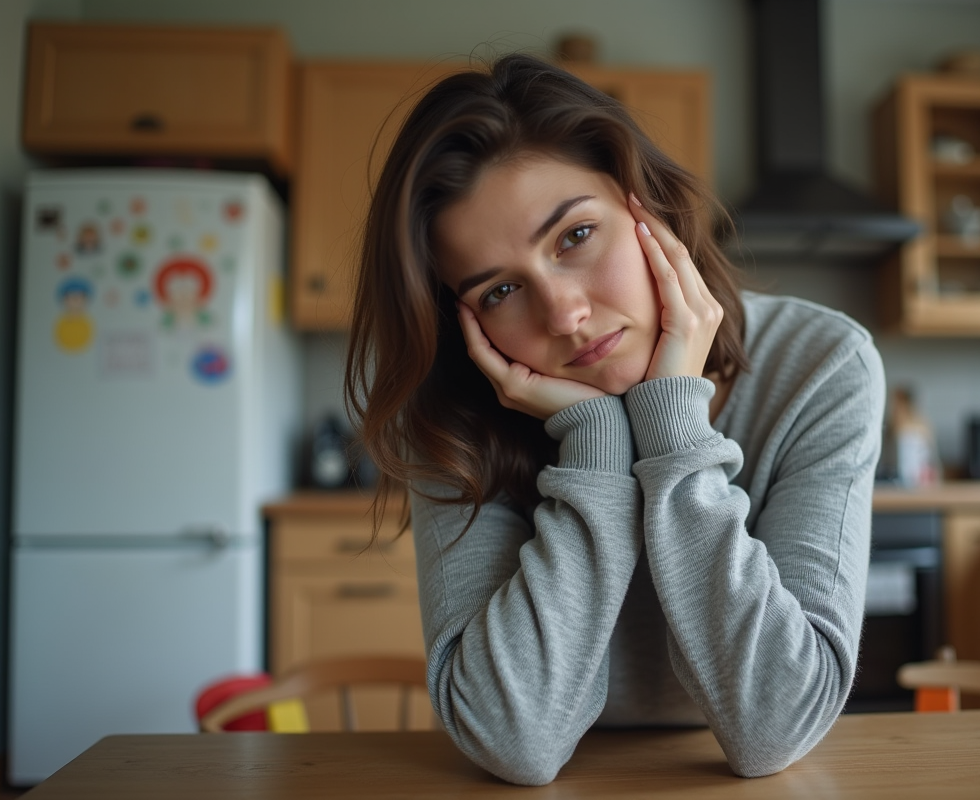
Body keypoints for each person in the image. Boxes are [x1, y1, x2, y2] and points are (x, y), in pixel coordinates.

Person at [345, 53, 884, 786]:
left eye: (574, 237)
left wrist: (671, 423)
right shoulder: (448, 417)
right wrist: (597, 442)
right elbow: (512, 739)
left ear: (649, 209)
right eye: (501, 290)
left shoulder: (822, 365)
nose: (564, 315)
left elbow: (776, 727)